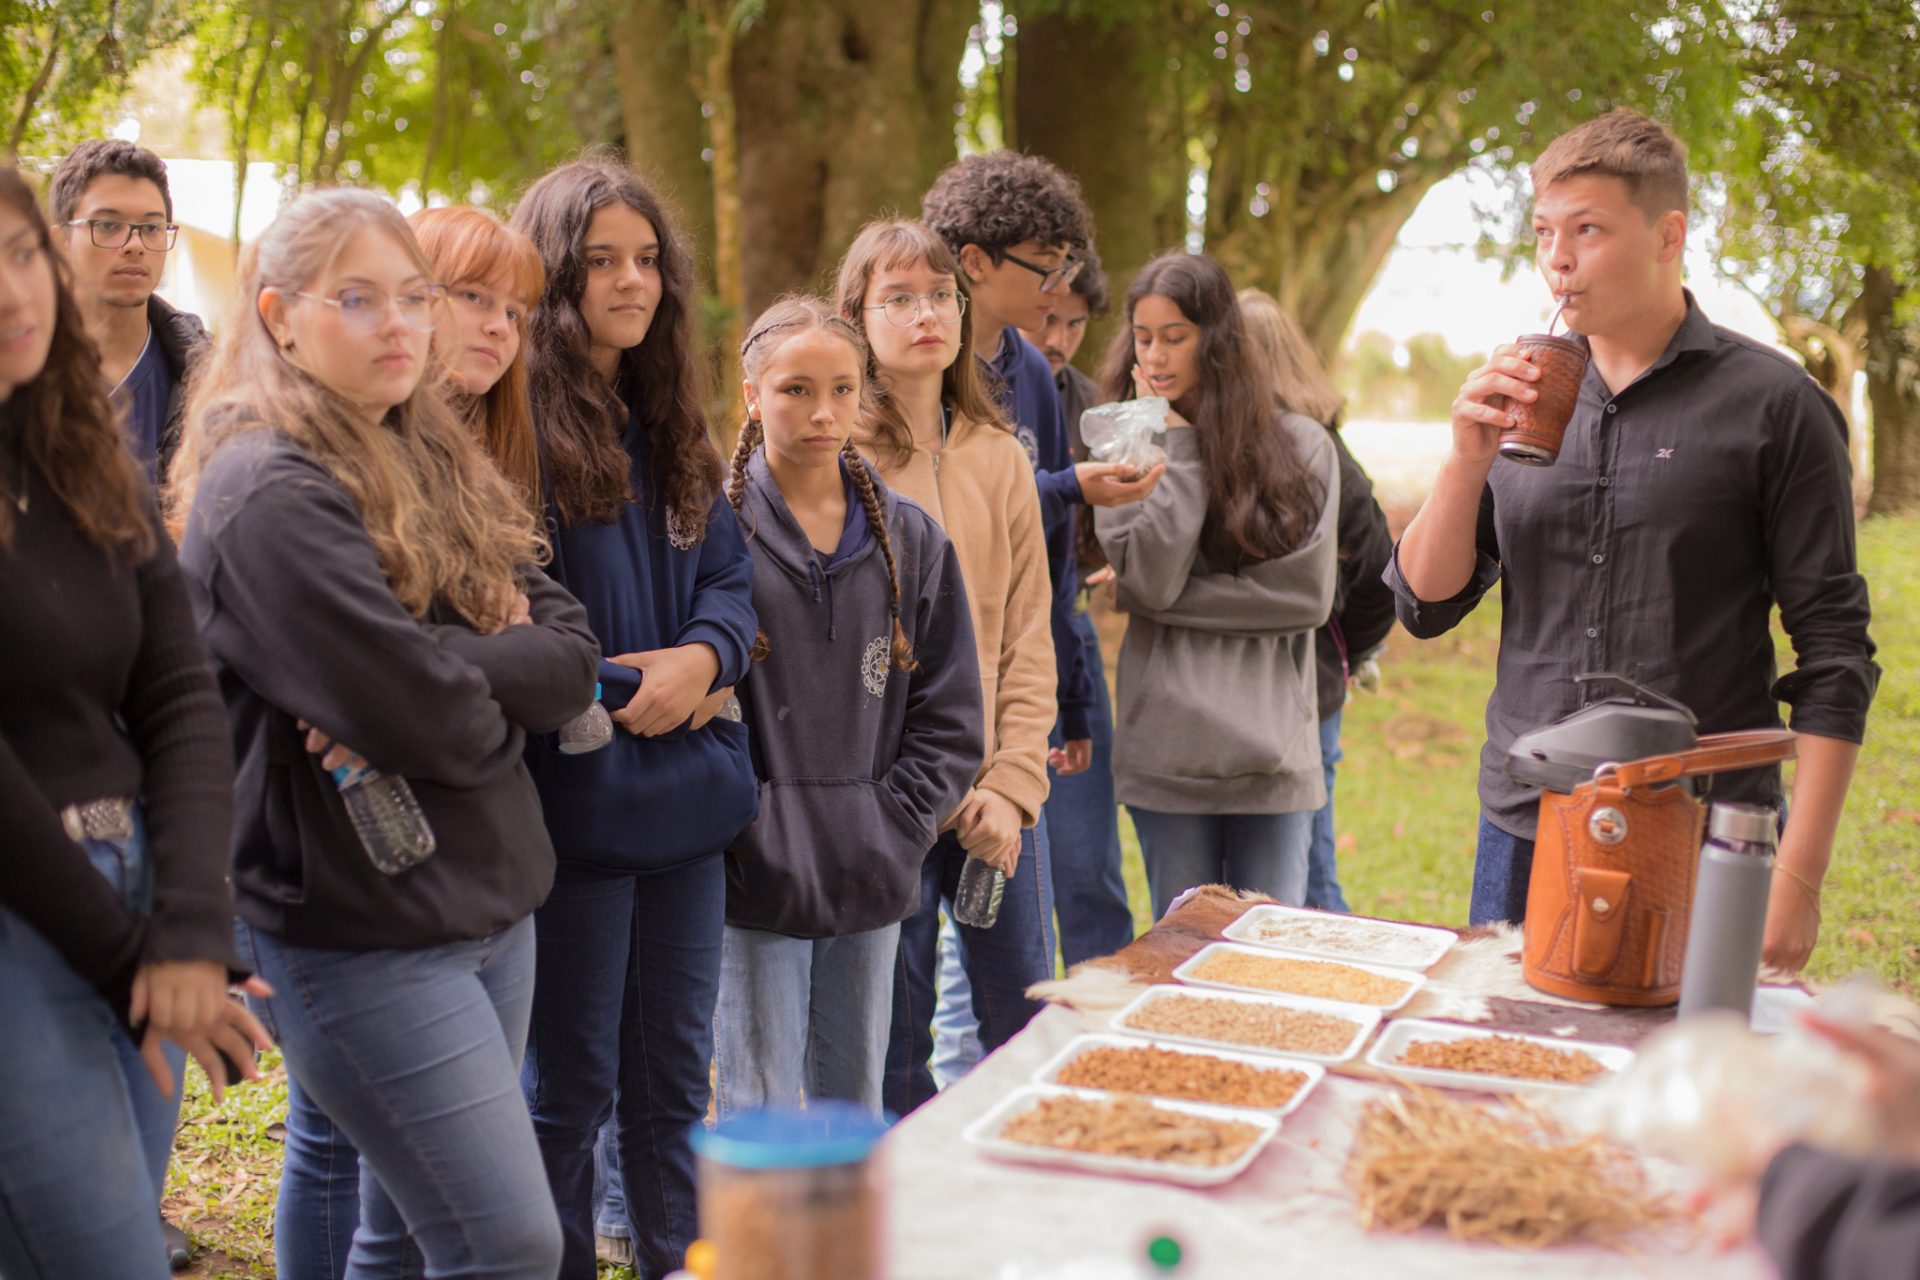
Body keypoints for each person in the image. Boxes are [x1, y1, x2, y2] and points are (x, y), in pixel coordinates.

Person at [170, 187, 597, 1279]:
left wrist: (440, 666)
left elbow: (567, 650)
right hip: (367, 919)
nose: (402, 323)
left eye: (413, 296)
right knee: (504, 1239)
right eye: (358, 299)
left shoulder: (429, 449)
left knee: (401, 1226)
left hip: (485, 894)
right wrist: (463, 673)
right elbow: (434, 718)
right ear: (279, 315)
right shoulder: (263, 487)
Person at [1386, 109, 1878, 968]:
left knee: (1684, 1095)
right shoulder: (1521, 397)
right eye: (1543, 232)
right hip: (1525, 820)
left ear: (1668, 235)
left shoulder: (1777, 406)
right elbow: (1423, 607)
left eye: (1588, 230)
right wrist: (1464, 461)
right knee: (1514, 1075)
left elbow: (1834, 654)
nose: (1558, 259)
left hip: (1704, 822)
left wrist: (1797, 881)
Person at [0, 165, 269, 1280]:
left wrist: (195, 923)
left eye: (18, 256)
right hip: (27, 918)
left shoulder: (82, 457)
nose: (11, 293)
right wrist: (132, 961)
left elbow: (177, 692)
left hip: (143, 890)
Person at [511, 157, 759, 1280]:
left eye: (649, 259)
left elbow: (731, 581)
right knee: (567, 1087)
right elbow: (518, 610)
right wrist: (635, 686)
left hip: (689, 807)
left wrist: (706, 655)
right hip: (577, 808)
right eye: (602, 260)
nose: (632, 281)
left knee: (672, 1081)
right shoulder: (508, 426)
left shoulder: (674, 420)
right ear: (557, 277)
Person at [715, 296, 983, 1118]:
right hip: (749, 877)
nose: (822, 411)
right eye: (796, 389)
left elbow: (951, 711)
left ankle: (843, 1253)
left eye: (841, 388)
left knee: (853, 1103)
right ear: (753, 395)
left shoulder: (912, 540)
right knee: (759, 1106)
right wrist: (742, 821)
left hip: (870, 869)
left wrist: (891, 822)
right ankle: (766, 1253)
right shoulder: (711, 531)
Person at [833, 218, 1059, 1115]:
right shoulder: (840, 459)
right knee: (892, 1042)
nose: (925, 313)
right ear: (858, 315)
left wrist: (1008, 786)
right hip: (883, 800)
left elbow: (1028, 639)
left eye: (939, 295)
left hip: (998, 802)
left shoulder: (1000, 458)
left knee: (1022, 1028)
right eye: (898, 297)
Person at [1094, 252, 1339, 918]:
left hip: (1273, 755)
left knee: (1267, 958)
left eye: (1175, 336)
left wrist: (1158, 600)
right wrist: (1179, 455)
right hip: (1167, 757)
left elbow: (1307, 599)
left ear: (1218, 339)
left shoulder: (1302, 445)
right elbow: (1151, 575)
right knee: (1181, 954)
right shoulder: (1125, 446)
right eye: (1144, 338)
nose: (1157, 355)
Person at [1238, 288, 1394, 915]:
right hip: (1244, 694)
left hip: (1309, 685)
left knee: (1309, 874)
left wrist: (1341, 650)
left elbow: (1381, 566)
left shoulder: (1319, 451)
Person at [1019, 247, 1137, 963]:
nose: (1057, 338)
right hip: (993, 645)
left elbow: (1104, 531)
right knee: (996, 878)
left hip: (1071, 634)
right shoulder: (973, 394)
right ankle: (979, 1056)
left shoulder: (1094, 406)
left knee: (1089, 867)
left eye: (1073, 323)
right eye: (1046, 319)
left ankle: (1100, 1022)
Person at [49, 140, 207, 484]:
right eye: (107, 225)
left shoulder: (211, 378)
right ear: (60, 243)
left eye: (151, 228)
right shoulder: (19, 373)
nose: (134, 245)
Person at [412, 205, 544, 505]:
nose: (502, 328)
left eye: (513, 313)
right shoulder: (347, 462)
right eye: (474, 296)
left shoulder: (508, 469)